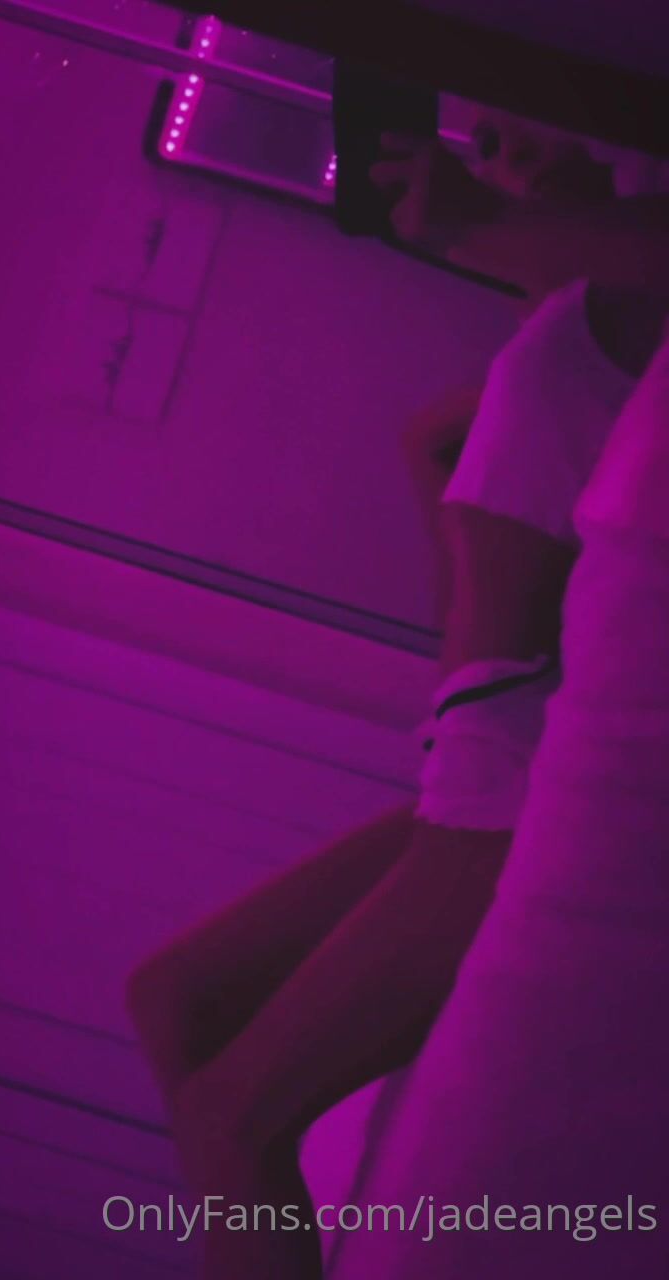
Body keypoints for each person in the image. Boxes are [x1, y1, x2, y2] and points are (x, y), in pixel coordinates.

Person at [125, 102, 667, 1280]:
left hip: (500, 777)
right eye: (495, 143)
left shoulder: (623, 288)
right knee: (169, 995)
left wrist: (488, 225)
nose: (509, 153)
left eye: (529, 132)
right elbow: (439, 446)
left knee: (229, 1116)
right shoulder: (569, 314)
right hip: (466, 751)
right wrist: (514, 256)